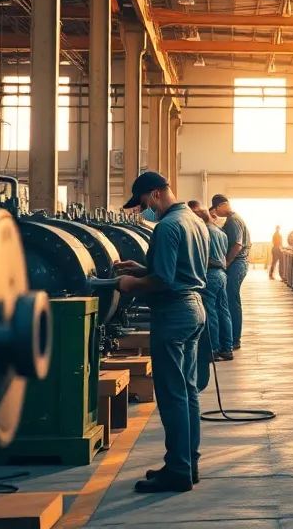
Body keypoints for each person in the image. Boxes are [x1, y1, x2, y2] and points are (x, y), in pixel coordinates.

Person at [113, 172, 209, 493]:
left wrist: (132, 284)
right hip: (193, 308)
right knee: (188, 391)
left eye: (142, 204)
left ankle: (178, 470)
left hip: (173, 312)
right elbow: (181, 269)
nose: (143, 212)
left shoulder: (167, 226)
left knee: (172, 395)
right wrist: (140, 269)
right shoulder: (194, 220)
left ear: (155, 195)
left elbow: (165, 280)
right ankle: (186, 463)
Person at [188, 200, 234, 362]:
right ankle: (227, 348)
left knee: (211, 312)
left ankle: (213, 349)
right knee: (224, 311)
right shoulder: (220, 232)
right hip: (221, 275)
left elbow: (203, 259)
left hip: (210, 275)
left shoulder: (204, 233)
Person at [212, 194, 250, 351]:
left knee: (232, 300)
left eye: (216, 209)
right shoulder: (232, 219)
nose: (217, 213)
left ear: (222, 205)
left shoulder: (233, 220)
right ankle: (232, 338)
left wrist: (225, 264)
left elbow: (236, 245)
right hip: (237, 264)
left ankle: (235, 339)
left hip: (236, 264)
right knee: (230, 300)